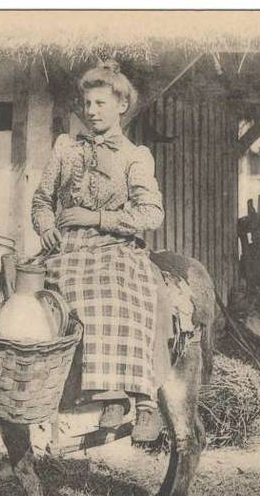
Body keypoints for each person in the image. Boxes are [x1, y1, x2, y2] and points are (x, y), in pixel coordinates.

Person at [31, 60, 166, 441]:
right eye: (87, 104)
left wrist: (96, 218)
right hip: (67, 247)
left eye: (100, 104)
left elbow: (151, 214)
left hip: (115, 245)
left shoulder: (134, 156)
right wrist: (44, 227)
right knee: (33, 296)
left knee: (118, 292)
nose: (91, 112)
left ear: (121, 105)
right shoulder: (66, 149)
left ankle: (130, 398)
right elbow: (42, 200)